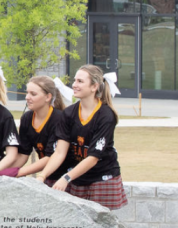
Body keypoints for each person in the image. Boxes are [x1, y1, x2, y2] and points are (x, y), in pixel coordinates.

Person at [52, 65, 126, 210]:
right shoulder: (69, 113)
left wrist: (66, 178)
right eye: (74, 80)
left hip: (102, 178)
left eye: (80, 81)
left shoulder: (105, 115)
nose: (74, 85)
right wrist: (43, 176)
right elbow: (60, 152)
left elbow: (93, 157)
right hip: (78, 177)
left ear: (94, 87)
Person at [14, 76, 69, 179]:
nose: (27, 97)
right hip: (47, 176)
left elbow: (51, 157)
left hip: (64, 177)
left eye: (33, 94)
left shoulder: (59, 119)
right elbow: (23, 154)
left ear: (48, 97)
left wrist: (19, 172)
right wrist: (6, 171)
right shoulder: (27, 118)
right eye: (27, 93)